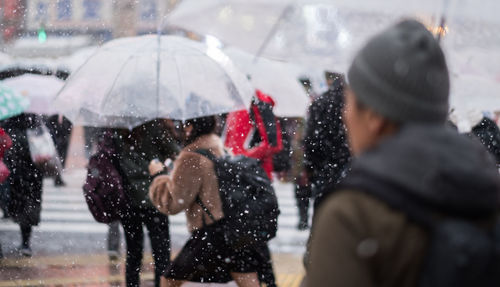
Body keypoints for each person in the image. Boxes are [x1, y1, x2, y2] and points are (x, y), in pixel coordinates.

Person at [306, 20, 500, 286]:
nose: (344, 114)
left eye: (350, 102)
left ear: (374, 116)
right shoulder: (485, 189)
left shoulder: (354, 214)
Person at [149, 116, 263, 287]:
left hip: (210, 233)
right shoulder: (220, 148)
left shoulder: (191, 156)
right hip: (234, 227)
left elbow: (172, 203)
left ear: (192, 127)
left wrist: (158, 176)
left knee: (169, 280)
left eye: (186, 124)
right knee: (246, 279)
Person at [114, 120, 178, 287]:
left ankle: (132, 284)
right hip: (155, 197)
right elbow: (175, 153)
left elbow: (116, 160)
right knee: (162, 253)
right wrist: (162, 165)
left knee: (133, 253)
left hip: (128, 199)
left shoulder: (118, 127)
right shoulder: (157, 126)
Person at [304, 72, 351, 212]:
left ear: (327, 79)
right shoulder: (356, 103)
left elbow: (311, 140)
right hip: (351, 169)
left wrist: (311, 168)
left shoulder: (320, 103)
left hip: (325, 170)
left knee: (323, 214)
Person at [1, 113, 44, 257]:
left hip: (14, 173)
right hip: (33, 173)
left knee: (17, 204)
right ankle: (26, 243)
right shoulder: (35, 122)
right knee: (29, 207)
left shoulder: (7, 122)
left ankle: (22, 243)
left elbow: (5, 145)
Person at [45, 114, 73, 186]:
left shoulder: (67, 116)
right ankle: (57, 177)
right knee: (57, 157)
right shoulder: (51, 116)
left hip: (63, 136)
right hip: (55, 136)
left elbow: (69, 127)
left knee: (62, 156)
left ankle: (58, 176)